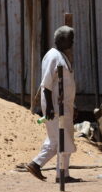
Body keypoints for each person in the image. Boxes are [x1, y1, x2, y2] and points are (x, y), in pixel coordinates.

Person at [25, 26, 82, 183]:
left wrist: (73, 106)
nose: (72, 42)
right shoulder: (53, 56)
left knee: (56, 140)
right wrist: (49, 106)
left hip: (64, 105)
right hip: (57, 107)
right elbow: (47, 84)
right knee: (64, 139)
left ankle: (36, 164)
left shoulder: (62, 56)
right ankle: (62, 175)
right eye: (70, 39)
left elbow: (65, 84)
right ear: (61, 40)